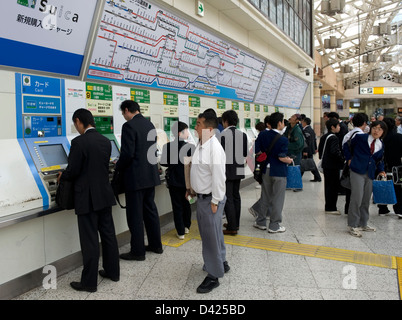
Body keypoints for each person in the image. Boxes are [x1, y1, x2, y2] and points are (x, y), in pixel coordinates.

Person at [59, 109, 120, 293]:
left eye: (75, 124)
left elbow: (74, 169)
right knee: (109, 236)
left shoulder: (79, 142)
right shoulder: (105, 141)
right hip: (104, 195)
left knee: (90, 240)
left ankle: (89, 283)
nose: (76, 128)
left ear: (78, 121)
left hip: (86, 197)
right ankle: (113, 272)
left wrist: (64, 175)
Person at [115, 100, 163, 261]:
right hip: (150, 176)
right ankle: (156, 245)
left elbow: (128, 154)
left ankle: (138, 251)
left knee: (135, 215)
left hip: (135, 178)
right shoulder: (149, 125)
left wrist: (118, 165)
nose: (124, 116)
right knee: (150, 211)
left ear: (127, 110)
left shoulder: (129, 126)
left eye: (123, 113)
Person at [187, 111, 228, 294]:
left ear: (209, 129)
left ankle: (213, 275)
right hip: (203, 197)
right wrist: (191, 189)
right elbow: (200, 172)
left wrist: (215, 201)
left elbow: (219, 177)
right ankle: (222, 262)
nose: (195, 126)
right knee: (215, 233)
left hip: (211, 199)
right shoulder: (201, 144)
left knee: (210, 237)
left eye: (199, 124)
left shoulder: (214, 148)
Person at [343, 121, 387, 237]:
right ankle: (353, 225)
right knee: (357, 197)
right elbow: (346, 146)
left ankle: (363, 223)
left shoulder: (381, 144)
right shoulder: (360, 137)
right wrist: (349, 158)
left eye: (379, 129)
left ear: (383, 132)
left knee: (366, 198)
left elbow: (379, 160)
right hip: (357, 170)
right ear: (370, 128)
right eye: (375, 128)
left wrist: (381, 170)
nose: (376, 131)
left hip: (370, 173)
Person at [253, 112, 293, 233]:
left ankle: (260, 221)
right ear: (280, 123)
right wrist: (289, 160)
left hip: (266, 170)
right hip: (279, 171)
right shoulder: (283, 140)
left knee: (265, 196)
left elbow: (257, 150)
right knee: (277, 199)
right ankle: (274, 225)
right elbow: (281, 157)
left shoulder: (263, 134)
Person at [160, 121, 195, 240]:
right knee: (187, 204)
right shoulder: (190, 147)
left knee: (177, 206)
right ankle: (187, 226)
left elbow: (163, 162)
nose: (187, 133)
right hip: (188, 182)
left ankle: (180, 232)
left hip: (174, 181)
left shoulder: (167, 146)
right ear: (180, 133)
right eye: (186, 131)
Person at [220, 110, 248, 235]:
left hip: (227, 169)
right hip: (239, 168)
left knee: (228, 197)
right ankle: (235, 223)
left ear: (225, 121)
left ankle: (232, 227)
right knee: (236, 196)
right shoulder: (242, 134)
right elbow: (244, 153)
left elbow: (220, 155)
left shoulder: (222, 135)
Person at [341, 113, 369, 215]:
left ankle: (348, 209)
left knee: (350, 187)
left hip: (348, 163)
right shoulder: (360, 136)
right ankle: (355, 213)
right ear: (365, 123)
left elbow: (344, 147)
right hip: (357, 165)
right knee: (357, 190)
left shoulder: (348, 134)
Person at [318, 118, 344, 215]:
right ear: (333, 127)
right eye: (338, 126)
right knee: (333, 187)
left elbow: (321, 151)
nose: (339, 127)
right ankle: (331, 207)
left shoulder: (324, 136)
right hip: (333, 166)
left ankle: (328, 206)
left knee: (328, 186)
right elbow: (334, 152)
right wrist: (342, 158)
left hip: (326, 165)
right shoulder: (334, 138)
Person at [377, 117, 402, 217]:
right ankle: (399, 209)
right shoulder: (399, 137)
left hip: (382, 166)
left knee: (382, 185)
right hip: (397, 167)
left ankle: (383, 208)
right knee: (398, 187)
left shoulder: (380, 138)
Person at [300, 117, 321, 182]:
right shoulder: (311, 129)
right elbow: (314, 140)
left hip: (307, 150)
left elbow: (306, 142)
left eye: (302, 122)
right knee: (310, 163)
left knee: (307, 163)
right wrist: (315, 148)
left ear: (305, 122)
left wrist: (305, 151)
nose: (301, 123)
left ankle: (317, 177)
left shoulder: (306, 131)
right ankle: (317, 177)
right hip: (310, 149)